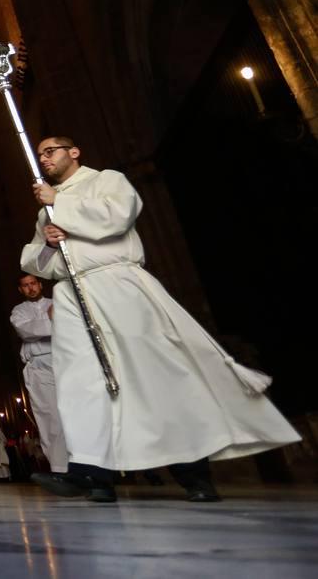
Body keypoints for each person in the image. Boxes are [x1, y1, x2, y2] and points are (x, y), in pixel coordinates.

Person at [21, 137, 299, 503]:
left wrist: (62, 204)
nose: (44, 159)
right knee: (80, 382)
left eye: (51, 150)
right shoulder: (46, 210)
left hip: (117, 282)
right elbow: (33, 261)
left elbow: (118, 218)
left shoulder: (105, 181)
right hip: (73, 292)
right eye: (40, 154)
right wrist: (50, 243)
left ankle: (194, 475)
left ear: (74, 152)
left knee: (154, 375)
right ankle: (92, 475)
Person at [9, 274, 68, 473]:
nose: (30, 288)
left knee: (73, 412)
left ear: (41, 285)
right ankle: (60, 468)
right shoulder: (19, 311)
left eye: (33, 283)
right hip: (38, 365)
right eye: (25, 285)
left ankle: (84, 464)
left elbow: (70, 326)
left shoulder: (56, 303)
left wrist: (56, 323)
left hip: (64, 360)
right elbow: (26, 330)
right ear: (20, 290)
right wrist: (54, 322)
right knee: (49, 416)